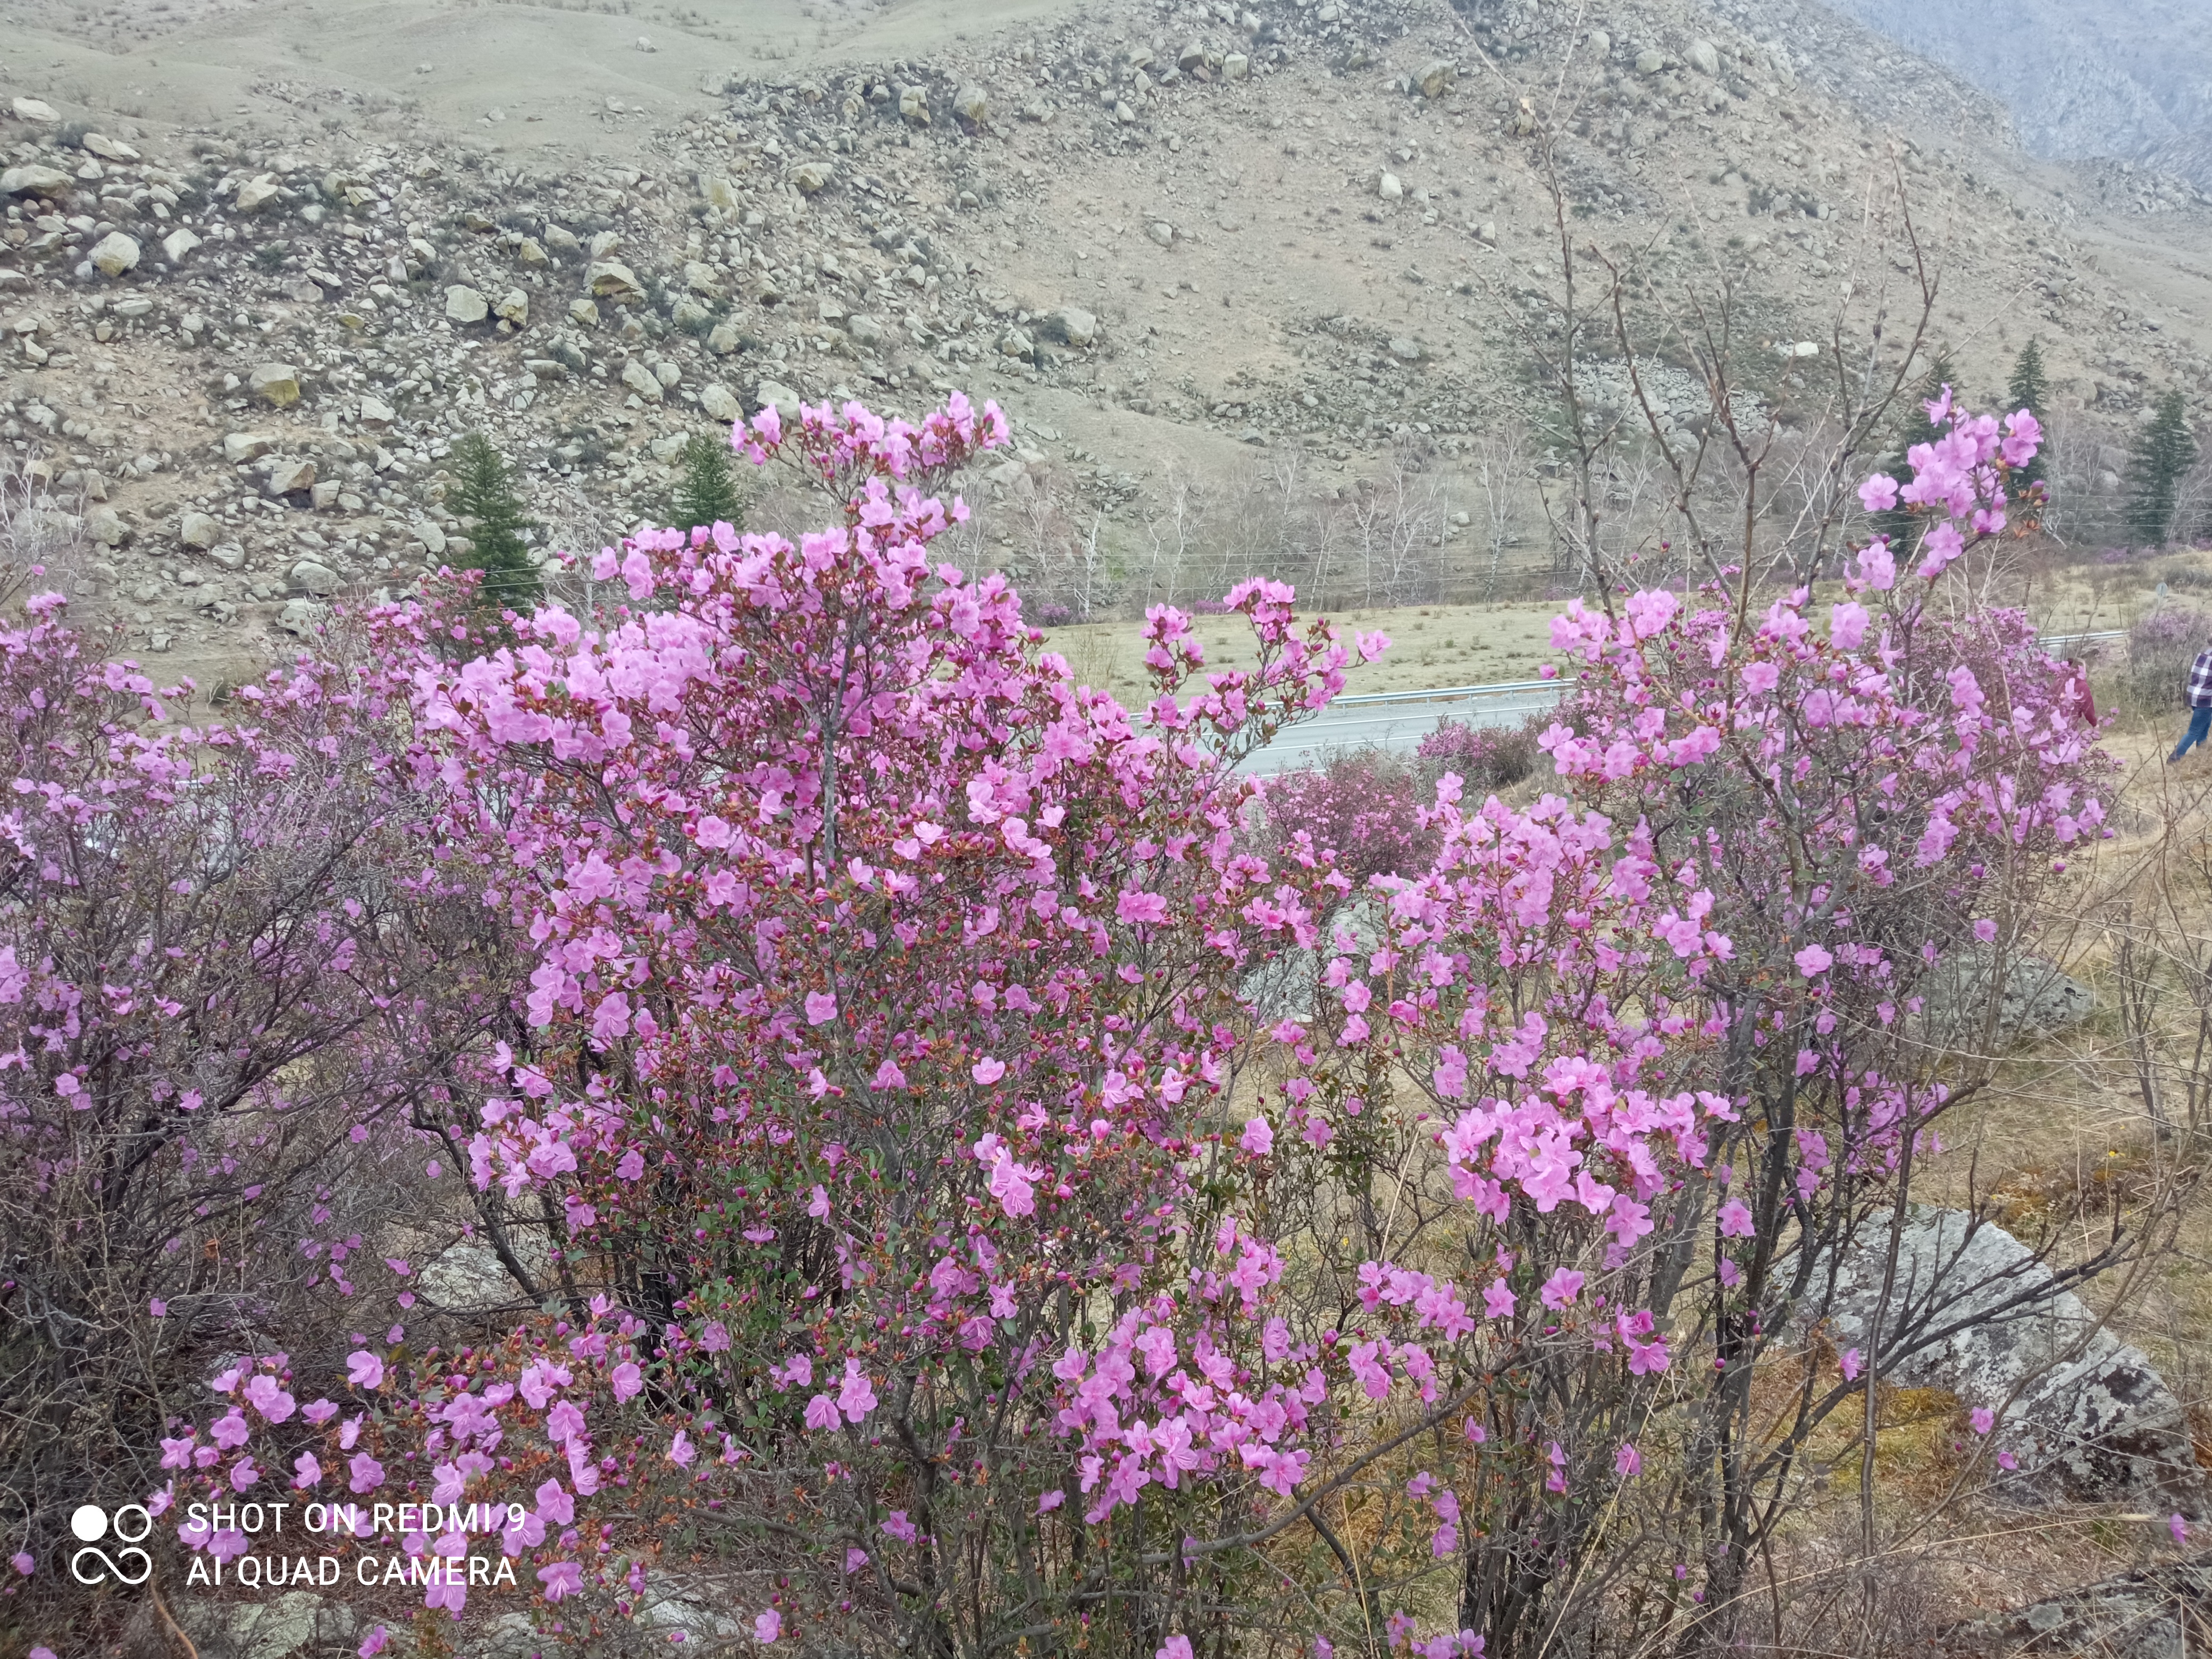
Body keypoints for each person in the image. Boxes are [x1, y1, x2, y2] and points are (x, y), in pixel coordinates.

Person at [2174, 642, 2212, 760]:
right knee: (2194, 732)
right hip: (2206, 699)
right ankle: (2174, 759)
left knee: (2203, 730)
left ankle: (2202, 758)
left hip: (2194, 696)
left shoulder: (2202, 655)